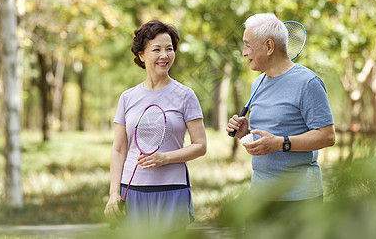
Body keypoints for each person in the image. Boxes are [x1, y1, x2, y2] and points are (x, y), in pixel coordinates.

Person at [226, 13, 335, 221]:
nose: (244, 53)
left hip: (299, 200)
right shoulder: (257, 83)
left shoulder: (308, 83)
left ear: (268, 46)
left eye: (248, 45)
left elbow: (328, 136)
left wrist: (280, 143)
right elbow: (268, 137)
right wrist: (245, 133)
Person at [104, 20, 207, 233]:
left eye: (169, 49)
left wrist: (165, 158)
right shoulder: (127, 97)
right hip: (131, 191)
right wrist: (114, 193)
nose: (164, 55)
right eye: (156, 49)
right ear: (141, 55)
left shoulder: (185, 95)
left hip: (172, 190)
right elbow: (119, 149)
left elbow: (200, 145)